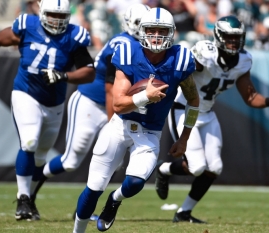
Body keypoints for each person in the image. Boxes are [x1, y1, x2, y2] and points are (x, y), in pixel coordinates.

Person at [72, 7, 200, 232]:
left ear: (172, 33)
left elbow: (194, 101)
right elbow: (118, 104)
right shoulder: (128, 51)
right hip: (120, 126)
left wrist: (184, 138)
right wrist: (145, 96)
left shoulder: (181, 59)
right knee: (94, 187)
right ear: (142, 31)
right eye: (151, 30)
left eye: (162, 31)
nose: (157, 36)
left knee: (135, 183)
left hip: (150, 132)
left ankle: (115, 199)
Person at [0, 0, 95, 221]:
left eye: (61, 16)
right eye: (52, 15)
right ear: (41, 12)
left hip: (54, 102)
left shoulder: (74, 35)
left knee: (40, 157)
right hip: (26, 93)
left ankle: (30, 199)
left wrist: (64, 76)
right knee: (29, 142)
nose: (56, 20)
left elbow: (89, 72)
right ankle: (23, 198)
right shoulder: (27, 26)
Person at [154, 15, 269, 223]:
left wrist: (268, 100)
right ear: (218, 36)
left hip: (207, 113)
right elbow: (179, 72)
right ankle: (164, 169)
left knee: (214, 168)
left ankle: (183, 213)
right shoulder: (205, 53)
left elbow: (250, 96)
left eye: (236, 37)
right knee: (196, 167)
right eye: (228, 37)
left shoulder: (243, 61)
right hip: (184, 110)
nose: (233, 41)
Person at [29, 3, 151, 221]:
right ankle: (29, 192)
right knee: (70, 162)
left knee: (108, 163)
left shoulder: (146, 46)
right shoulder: (123, 43)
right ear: (128, 24)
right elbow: (109, 88)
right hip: (91, 102)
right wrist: (114, 120)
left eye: (146, 25)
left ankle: (82, 210)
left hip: (113, 106)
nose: (143, 29)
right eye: (138, 24)